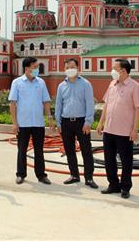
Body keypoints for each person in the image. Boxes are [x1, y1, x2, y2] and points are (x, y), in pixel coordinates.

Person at [97, 59, 139, 199]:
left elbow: (138, 108)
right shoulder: (112, 84)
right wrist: (100, 123)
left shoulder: (135, 86)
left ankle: (125, 187)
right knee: (109, 159)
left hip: (124, 131)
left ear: (123, 71)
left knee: (126, 161)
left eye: (114, 68)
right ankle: (113, 184)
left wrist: (135, 129)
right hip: (109, 129)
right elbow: (106, 105)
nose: (112, 71)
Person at [9, 57, 53, 185]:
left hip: (38, 123)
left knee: (39, 150)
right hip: (23, 123)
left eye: (37, 67)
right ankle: (20, 174)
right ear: (27, 68)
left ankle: (41, 175)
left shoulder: (41, 83)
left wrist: (49, 117)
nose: (37, 69)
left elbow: (46, 101)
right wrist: (14, 122)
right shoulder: (17, 82)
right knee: (22, 149)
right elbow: (12, 103)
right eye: (34, 67)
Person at [54, 58, 97, 189]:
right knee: (69, 150)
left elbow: (90, 104)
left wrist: (88, 122)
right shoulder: (61, 86)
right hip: (66, 122)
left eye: (72, 66)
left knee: (86, 150)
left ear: (78, 68)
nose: (69, 69)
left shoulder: (85, 84)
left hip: (81, 122)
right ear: (64, 69)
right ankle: (74, 175)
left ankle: (89, 178)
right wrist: (58, 122)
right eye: (67, 67)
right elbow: (58, 105)